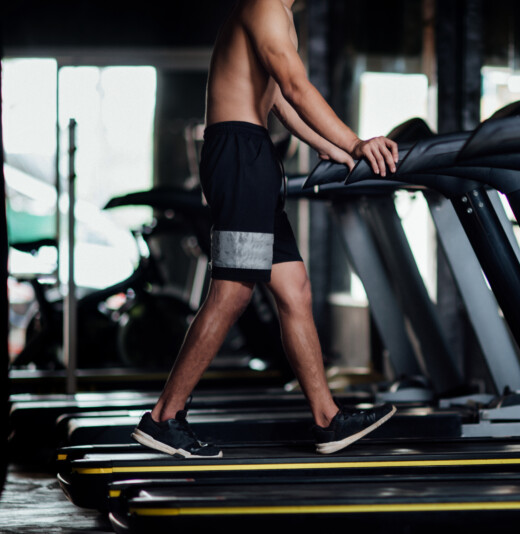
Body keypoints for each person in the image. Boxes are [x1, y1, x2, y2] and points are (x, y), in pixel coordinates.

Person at [131, 0, 398, 458]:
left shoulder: (278, 16)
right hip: (239, 153)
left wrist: (327, 146)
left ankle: (327, 420)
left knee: (295, 288)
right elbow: (296, 86)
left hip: (253, 153)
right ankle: (164, 417)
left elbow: (275, 98)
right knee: (233, 291)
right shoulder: (263, 7)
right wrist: (355, 141)